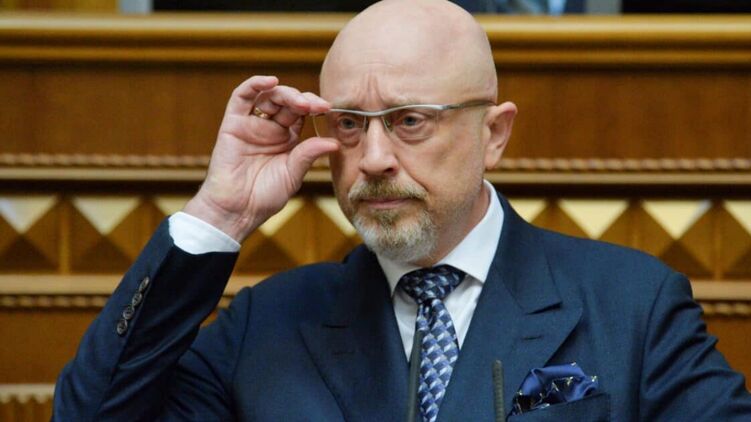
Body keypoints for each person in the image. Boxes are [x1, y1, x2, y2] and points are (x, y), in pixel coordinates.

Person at [54, 0, 751, 420]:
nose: (374, 157)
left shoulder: (632, 306)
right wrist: (220, 212)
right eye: (349, 124)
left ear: (493, 134)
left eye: (410, 120)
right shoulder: (269, 325)